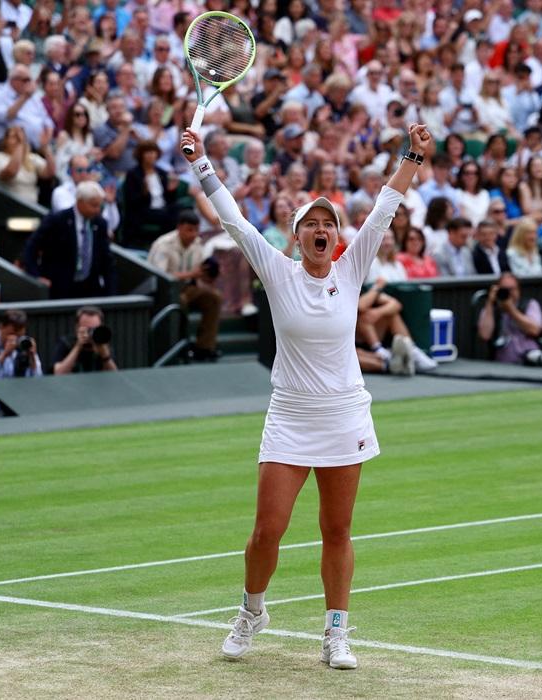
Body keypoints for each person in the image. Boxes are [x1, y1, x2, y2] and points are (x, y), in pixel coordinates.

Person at [180, 121, 432, 669]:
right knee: (266, 531)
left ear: (336, 236)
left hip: (344, 415)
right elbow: (233, 219)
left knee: (336, 530)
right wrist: (200, 162)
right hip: (290, 416)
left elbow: (385, 208)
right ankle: (251, 611)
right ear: (296, 237)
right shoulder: (277, 271)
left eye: (328, 223)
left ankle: (336, 632)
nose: (321, 229)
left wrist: (412, 155)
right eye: (311, 224)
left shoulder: (352, 266)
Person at [147, 210, 223, 361]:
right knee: (180, 300)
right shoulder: (163, 244)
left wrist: (210, 273)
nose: (193, 234)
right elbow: (160, 276)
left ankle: (204, 348)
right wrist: (191, 274)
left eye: (196, 230)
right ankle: (180, 346)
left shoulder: (197, 243)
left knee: (214, 297)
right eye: (189, 230)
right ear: (179, 228)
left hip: (188, 288)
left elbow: (200, 271)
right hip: (165, 291)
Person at [23, 181, 115, 299]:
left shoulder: (100, 223)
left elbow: (106, 260)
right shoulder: (57, 220)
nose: (97, 210)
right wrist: (36, 276)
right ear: (80, 202)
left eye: (99, 206)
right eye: (93, 205)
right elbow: (31, 247)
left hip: (89, 290)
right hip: (59, 289)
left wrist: (111, 293)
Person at [477, 272, 542, 363]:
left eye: (512, 289)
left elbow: (535, 330)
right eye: (505, 289)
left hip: (530, 359)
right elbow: (484, 335)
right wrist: (490, 302)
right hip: (501, 362)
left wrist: (511, 310)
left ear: (518, 290)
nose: (509, 293)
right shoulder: (491, 309)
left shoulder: (530, 304)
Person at [0, 125, 55, 205]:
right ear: (5, 141)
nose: (18, 140)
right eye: (14, 136)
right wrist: (20, 144)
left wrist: (45, 147)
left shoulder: (31, 158)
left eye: (20, 137)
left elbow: (49, 173)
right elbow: (10, 172)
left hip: (30, 206)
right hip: (6, 205)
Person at [52, 305, 118, 374]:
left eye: (95, 329)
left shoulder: (103, 345)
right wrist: (78, 346)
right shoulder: (66, 344)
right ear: (77, 327)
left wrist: (105, 357)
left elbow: (115, 377)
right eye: (87, 329)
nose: (91, 333)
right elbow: (58, 373)